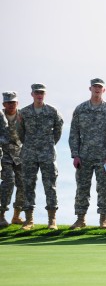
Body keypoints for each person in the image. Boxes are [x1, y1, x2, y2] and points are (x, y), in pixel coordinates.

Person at [68, 78, 106, 229]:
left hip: (103, 158)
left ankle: (103, 219)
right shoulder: (81, 109)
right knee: (82, 188)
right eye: (95, 87)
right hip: (84, 157)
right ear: (90, 88)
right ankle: (80, 219)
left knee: (104, 188)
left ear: (104, 90)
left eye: (100, 87)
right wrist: (75, 155)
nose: (97, 89)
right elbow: (74, 134)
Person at [17, 83, 64, 230]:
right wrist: (31, 144)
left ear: (45, 94)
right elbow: (20, 132)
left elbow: (58, 130)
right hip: (29, 154)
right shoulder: (24, 113)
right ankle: (29, 220)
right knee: (28, 185)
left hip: (47, 154)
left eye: (42, 93)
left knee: (50, 185)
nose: (39, 95)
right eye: (37, 92)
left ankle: (52, 220)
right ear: (32, 94)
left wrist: (49, 144)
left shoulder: (52, 111)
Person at [0, 91, 25, 227]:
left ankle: (17, 215)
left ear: (17, 103)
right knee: (8, 183)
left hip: (20, 155)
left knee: (23, 184)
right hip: (4, 155)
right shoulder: (0, 116)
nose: (11, 105)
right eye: (8, 102)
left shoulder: (23, 115)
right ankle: (1, 214)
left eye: (13, 102)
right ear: (4, 104)